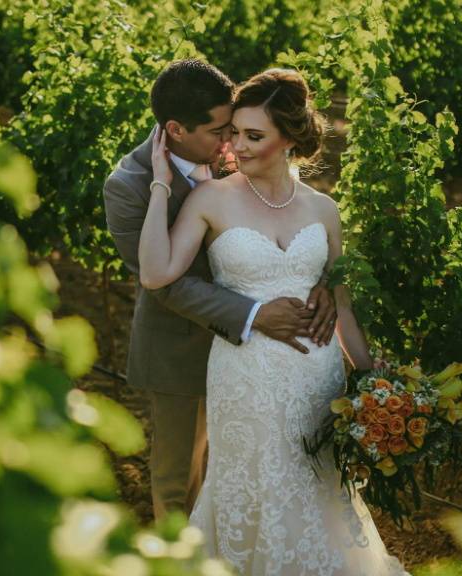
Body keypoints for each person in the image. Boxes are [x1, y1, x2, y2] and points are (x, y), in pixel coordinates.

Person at [138, 67, 410, 575]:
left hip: (316, 374)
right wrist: (158, 185)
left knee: (318, 486)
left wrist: (376, 379)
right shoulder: (211, 198)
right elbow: (157, 274)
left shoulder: (324, 209)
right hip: (245, 379)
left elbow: (341, 305)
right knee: (252, 485)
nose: (235, 147)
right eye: (234, 133)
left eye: (252, 136)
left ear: (289, 140)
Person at [103, 60, 337, 521]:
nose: (231, 141)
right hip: (183, 350)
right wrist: (254, 313)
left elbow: (285, 220)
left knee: (254, 477)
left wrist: (320, 284)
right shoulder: (128, 187)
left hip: (268, 359)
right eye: (220, 132)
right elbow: (167, 285)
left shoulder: (237, 150)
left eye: (238, 128)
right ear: (176, 129)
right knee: (180, 483)